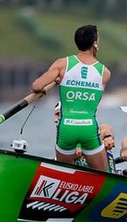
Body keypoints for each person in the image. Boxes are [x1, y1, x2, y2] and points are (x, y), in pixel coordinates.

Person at [31, 24, 111, 172]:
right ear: (94, 43)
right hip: (89, 128)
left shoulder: (62, 64)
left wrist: (57, 79)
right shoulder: (104, 72)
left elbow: (36, 86)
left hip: (66, 128)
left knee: (66, 176)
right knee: (103, 176)